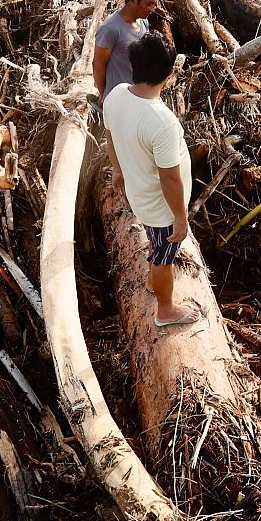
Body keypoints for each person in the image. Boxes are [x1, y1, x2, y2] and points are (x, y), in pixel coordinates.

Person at [104, 33, 202, 328]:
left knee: (157, 246)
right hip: (160, 209)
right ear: (170, 73)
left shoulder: (117, 94)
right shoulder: (162, 122)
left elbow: (109, 133)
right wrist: (180, 219)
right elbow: (170, 180)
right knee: (163, 256)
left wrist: (117, 169)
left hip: (139, 191)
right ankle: (165, 310)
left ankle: (156, 278)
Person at [94, 0, 160, 103]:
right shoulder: (110, 29)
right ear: (133, 0)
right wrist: (103, 93)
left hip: (137, 96)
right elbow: (98, 64)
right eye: (149, 4)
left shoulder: (143, 23)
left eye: (154, 5)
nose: (152, 9)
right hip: (117, 99)